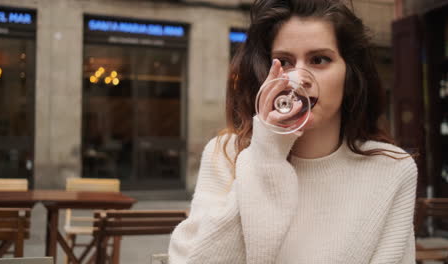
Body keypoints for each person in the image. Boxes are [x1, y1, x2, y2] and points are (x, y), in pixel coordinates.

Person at [168, 0, 417, 263]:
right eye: (284, 62)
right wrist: (267, 151)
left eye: (319, 60)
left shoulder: (391, 168)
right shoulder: (227, 153)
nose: (299, 78)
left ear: (351, 76)